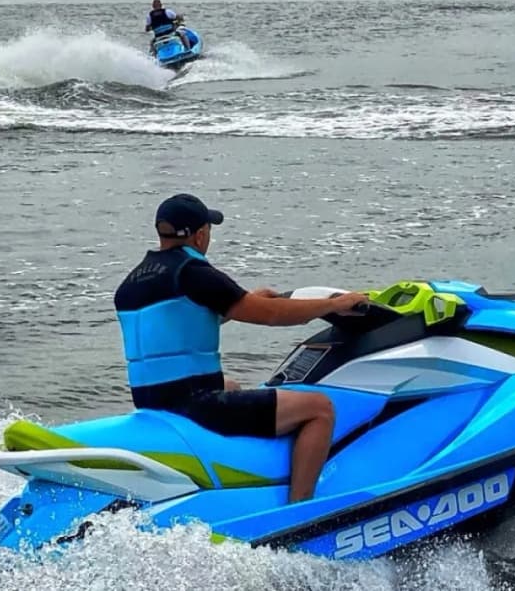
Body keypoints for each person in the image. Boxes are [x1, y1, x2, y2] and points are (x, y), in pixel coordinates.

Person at [113, 193, 369, 503]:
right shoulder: (194, 273)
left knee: (231, 385)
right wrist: (333, 305)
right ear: (200, 234)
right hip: (194, 405)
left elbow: (179, 326)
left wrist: (246, 300)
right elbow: (272, 316)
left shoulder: (132, 282)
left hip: (151, 400)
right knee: (319, 408)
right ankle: (300, 506)